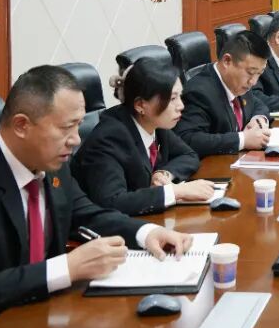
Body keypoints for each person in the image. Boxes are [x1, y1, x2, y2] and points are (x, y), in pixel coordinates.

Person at [0, 65, 191, 328]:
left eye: (78, 125)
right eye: (66, 127)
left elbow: (85, 213)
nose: (76, 140)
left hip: (45, 316)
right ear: (21, 125)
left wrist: (146, 233)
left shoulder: (50, 159)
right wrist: (67, 267)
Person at [72, 60, 213, 215]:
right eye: (172, 99)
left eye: (180, 96)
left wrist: (164, 173)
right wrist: (175, 191)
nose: (181, 106)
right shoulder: (109, 138)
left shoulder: (154, 122)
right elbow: (112, 202)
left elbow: (188, 155)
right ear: (140, 105)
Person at [175, 30, 272, 157]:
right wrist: (243, 140)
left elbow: (257, 103)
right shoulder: (198, 93)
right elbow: (188, 139)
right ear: (227, 61)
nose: (253, 81)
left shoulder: (238, 83)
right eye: (250, 72)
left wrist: (258, 119)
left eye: (259, 73)